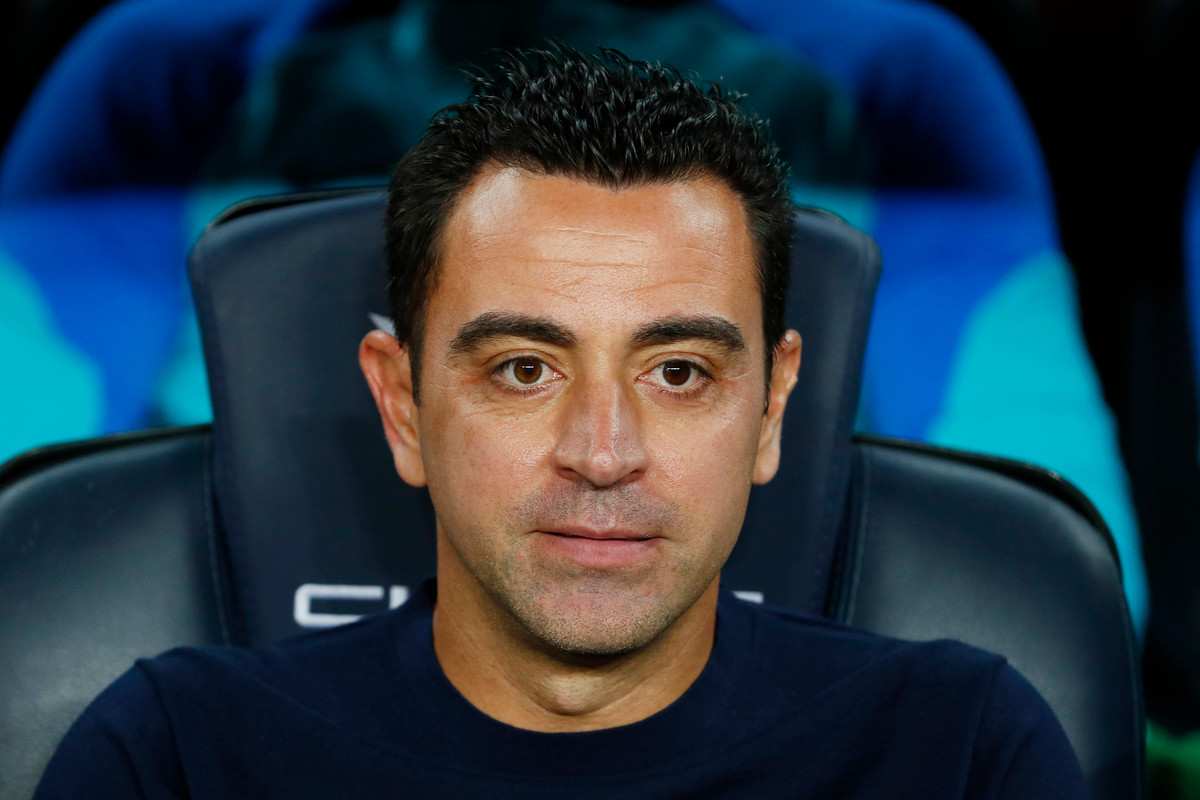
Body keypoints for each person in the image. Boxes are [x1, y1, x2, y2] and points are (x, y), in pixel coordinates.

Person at [35, 46, 1087, 798]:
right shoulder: (176, 756)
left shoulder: (961, 752)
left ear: (772, 406)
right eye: (525, 368)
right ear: (402, 405)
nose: (603, 452)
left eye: (678, 372)